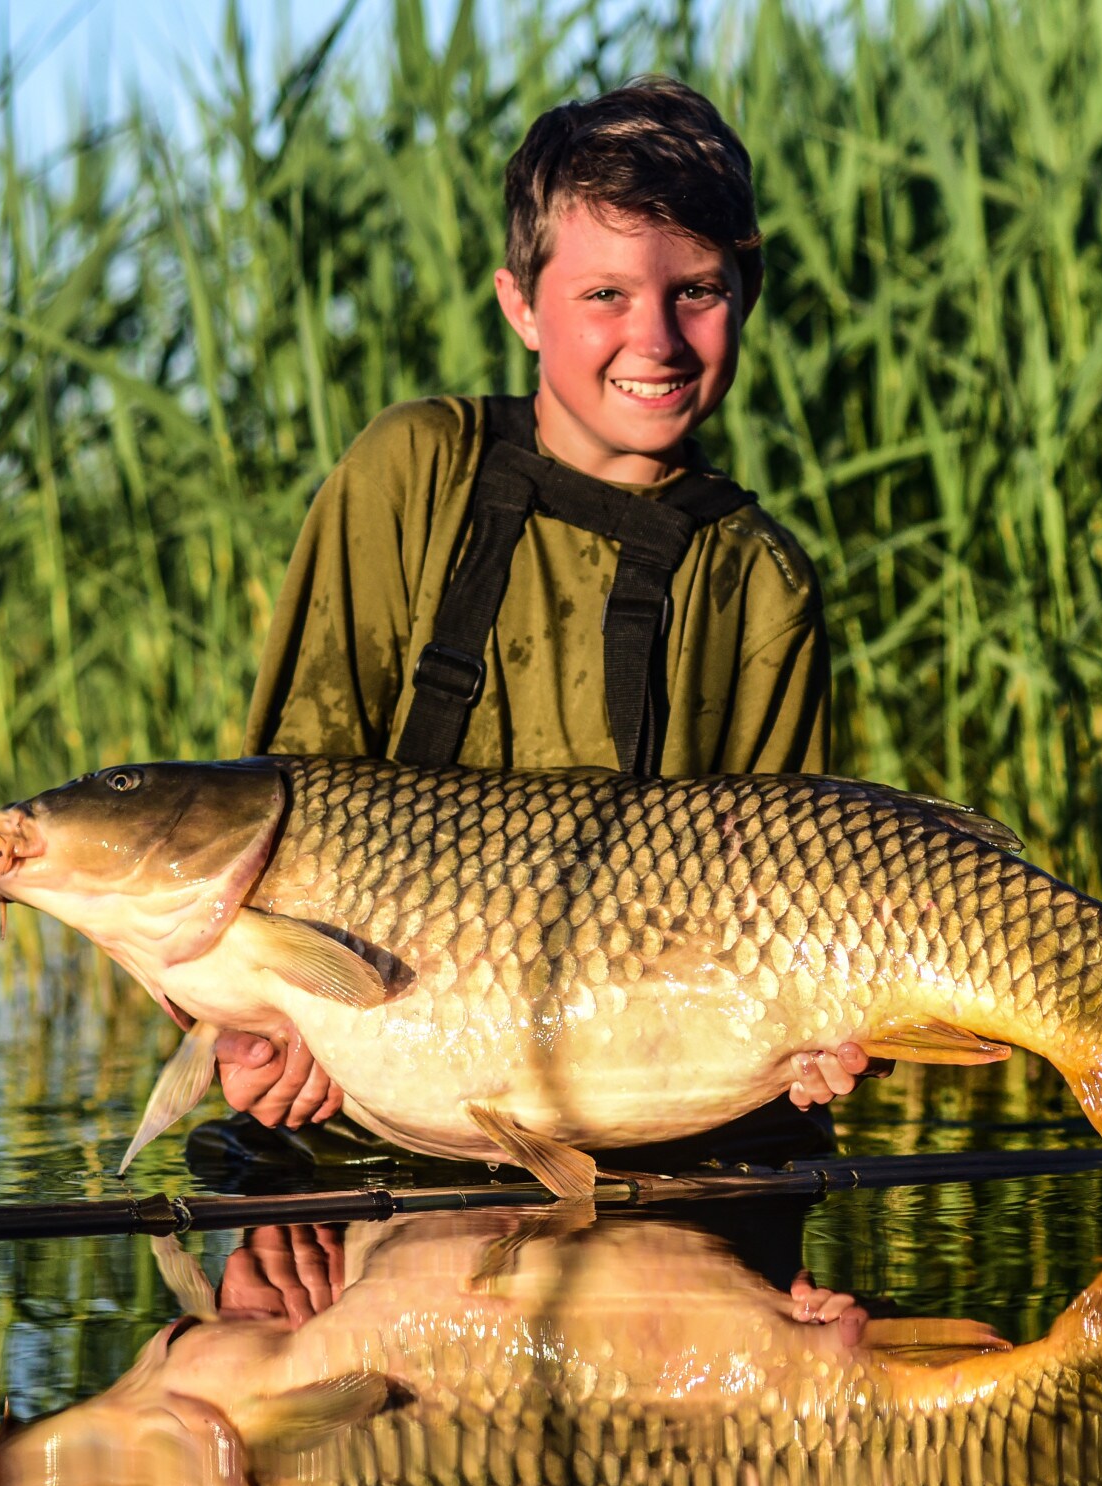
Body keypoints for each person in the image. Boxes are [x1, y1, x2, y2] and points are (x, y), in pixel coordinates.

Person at [213, 77, 882, 1131]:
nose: (655, 339)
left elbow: (781, 892)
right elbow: (277, 826)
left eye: (696, 292)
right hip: (367, 1102)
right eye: (605, 294)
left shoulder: (762, 580)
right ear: (520, 305)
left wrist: (821, 1043)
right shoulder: (413, 470)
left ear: (746, 296)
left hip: (647, 1116)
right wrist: (253, 1036)